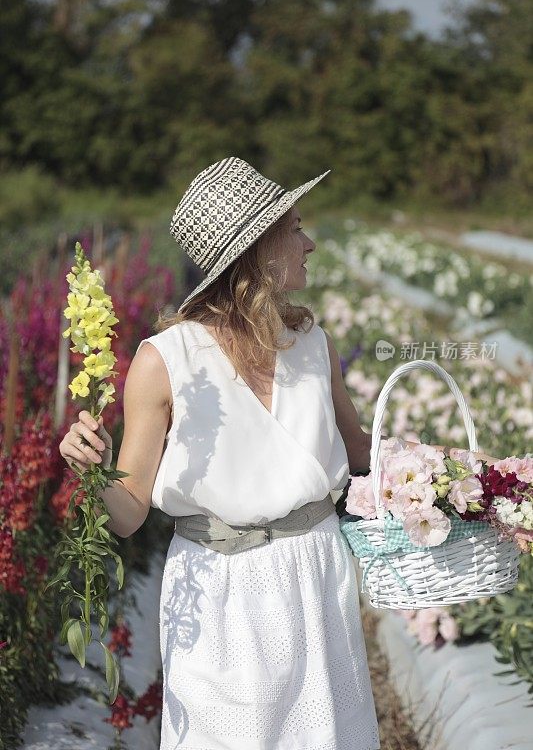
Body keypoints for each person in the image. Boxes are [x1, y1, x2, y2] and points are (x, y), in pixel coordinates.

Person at [59, 156, 497, 749]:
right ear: (256, 252)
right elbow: (130, 510)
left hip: (315, 574)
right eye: (293, 228)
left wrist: (464, 476)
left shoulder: (313, 345)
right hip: (220, 590)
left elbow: (361, 451)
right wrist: (92, 472)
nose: (309, 242)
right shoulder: (164, 360)